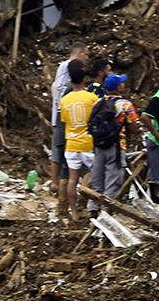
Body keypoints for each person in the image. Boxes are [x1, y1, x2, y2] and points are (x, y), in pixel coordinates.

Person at [88, 73, 138, 214]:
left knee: (97, 177)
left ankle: (93, 208)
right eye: (121, 83)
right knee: (113, 179)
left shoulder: (97, 103)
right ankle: (106, 211)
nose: (123, 84)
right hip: (116, 146)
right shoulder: (125, 105)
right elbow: (134, 128)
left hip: (98, 145)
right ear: (118, 87)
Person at [59, 61, 98, 221]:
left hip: (71, 143)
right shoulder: (92, 98)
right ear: (84, 79)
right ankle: (87, 197)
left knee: (72, 179)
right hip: (87, 142)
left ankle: (74, 212)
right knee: (93, 174)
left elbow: (64, 121)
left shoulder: (64, 100)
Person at [49, 44, 88, 195]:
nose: (86, 59)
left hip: (61, 113)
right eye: (86, 55)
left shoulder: (61, 68)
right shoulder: (67, 67)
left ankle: (57, 184)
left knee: (60, 149)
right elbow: (58, 88)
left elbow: (55, 87)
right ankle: (57, 183)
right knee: (61, 149)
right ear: (80, 53)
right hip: (65, 117)